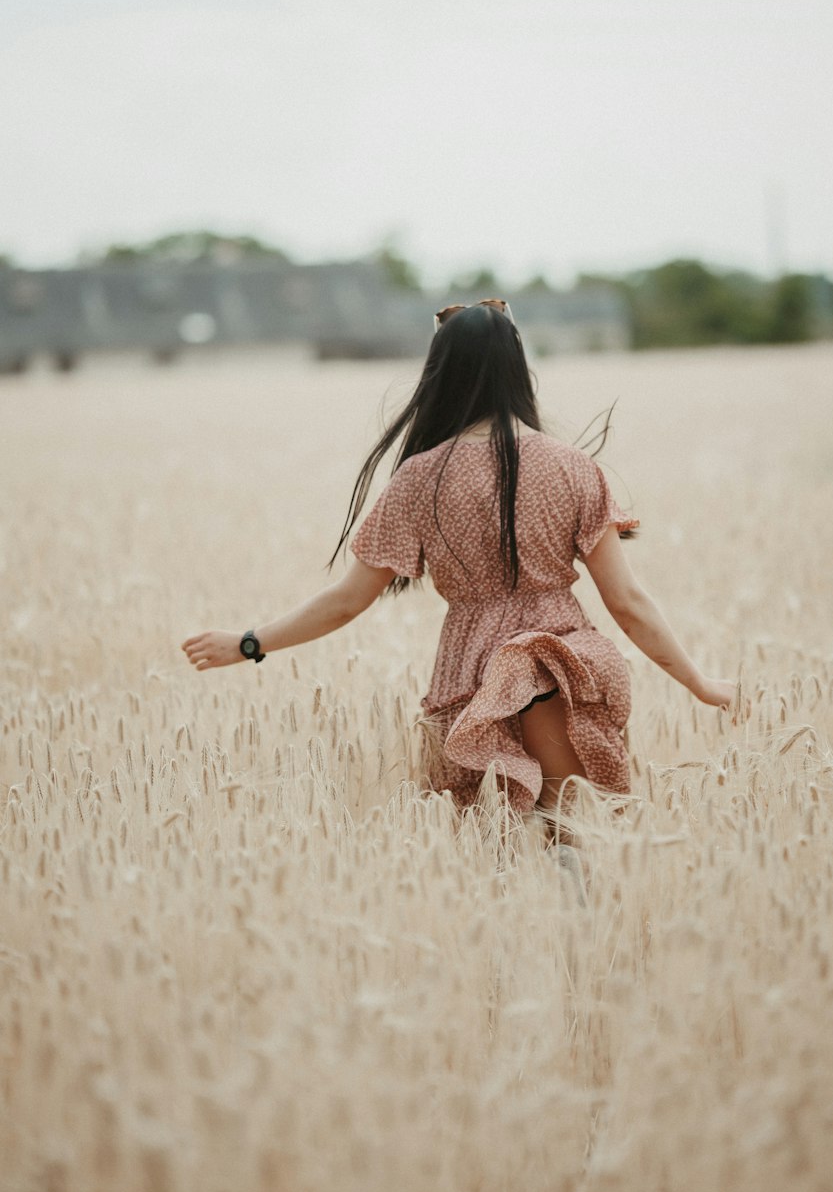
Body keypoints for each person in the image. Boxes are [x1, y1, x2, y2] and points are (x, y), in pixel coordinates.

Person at [182, 299, 735, 832]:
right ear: (519, 370)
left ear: (439, 376)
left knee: (495, 854)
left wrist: (248, 643)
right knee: (575, 837)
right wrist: (700, 683)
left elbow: (346, 602)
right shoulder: (573, 468)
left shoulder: (420, 478)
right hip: (562, 665)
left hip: (470, 673)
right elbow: (629, 604)